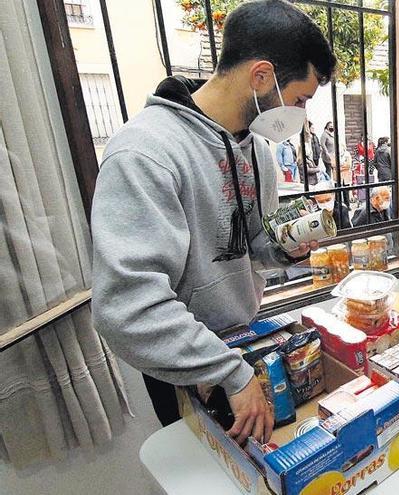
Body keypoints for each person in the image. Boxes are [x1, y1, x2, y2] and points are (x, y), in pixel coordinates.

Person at [90, 0, 336, 444]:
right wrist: (228, 372)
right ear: (261, 76)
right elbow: (127, 307)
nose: (301, 114)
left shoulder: (256, 149)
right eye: (300, 99)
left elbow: (250, 243)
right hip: (187, 363)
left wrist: (284, 247)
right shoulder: (145, 153)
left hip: (244, 342)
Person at [298, 120, 324, 185]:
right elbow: (307, 170)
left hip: (312, 179)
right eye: (312, 128)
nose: (313, 129)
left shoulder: (314, 136)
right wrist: (317, 169)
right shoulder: (302, 160)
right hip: (309, 182)